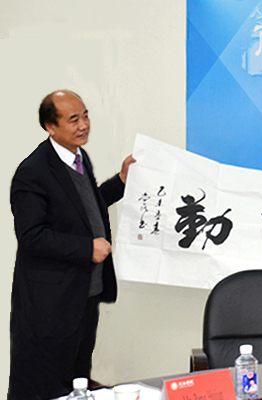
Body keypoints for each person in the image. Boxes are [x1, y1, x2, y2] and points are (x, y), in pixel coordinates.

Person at [9, 90, 136, 400]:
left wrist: (120, 181)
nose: (84, 125)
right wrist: (86, 249)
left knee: (78, 382)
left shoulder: (79, 158)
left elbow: (84, 207)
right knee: (46, 386)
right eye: (73, 119)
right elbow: (32, 236)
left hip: (84, 295)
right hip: (51, 305)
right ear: (50, 127)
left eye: (86, 115)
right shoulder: (33, 172)